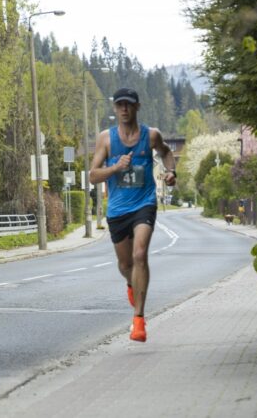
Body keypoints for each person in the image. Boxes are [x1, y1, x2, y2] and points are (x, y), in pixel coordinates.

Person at [89, 87, 177, 342]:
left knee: (140, 254)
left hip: (144, 203)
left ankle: (139, 320)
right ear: (115, 109)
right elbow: (93, 175)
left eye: (129, 104)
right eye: (120, 105)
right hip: (117, 209)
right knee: (126, 265)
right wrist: (116, 167)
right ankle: (132, 284)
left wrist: (172, 173)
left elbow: (167, 153)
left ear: (137, 107)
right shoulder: (106, 139)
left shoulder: (151, 136)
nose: (124, 109)